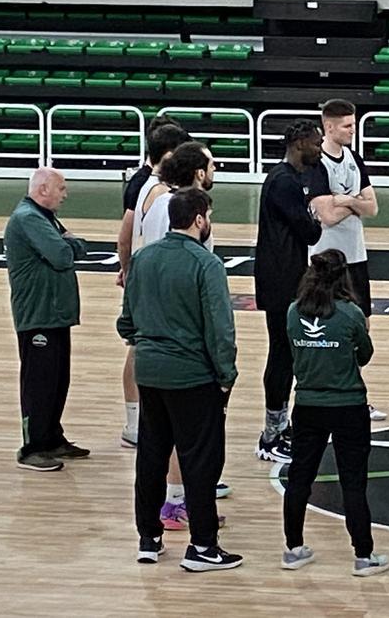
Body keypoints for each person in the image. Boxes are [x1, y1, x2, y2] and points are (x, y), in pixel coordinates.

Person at [117, 188, 242, 572]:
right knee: (200, 462)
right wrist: (226, 376)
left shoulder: (143, 258)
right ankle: (203, 546)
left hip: (150, 373)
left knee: (151, 456)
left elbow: (126, 321)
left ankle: (148, 539)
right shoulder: (206, 264)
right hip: (192, 376)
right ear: (200, 219)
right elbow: (220, 329)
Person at [134, 140, 230, 529]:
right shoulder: (179, 225)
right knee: (190, 441)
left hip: (154, 343)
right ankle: (181, 508)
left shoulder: (161, 205)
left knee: (157, 447)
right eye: (211, 164)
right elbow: (216, 321)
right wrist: (225, 371)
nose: (215, 169)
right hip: (183, 348)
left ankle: (150, 534)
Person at [281, 249, 389, 577]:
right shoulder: (351, 314)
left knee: (299, 478)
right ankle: (363, 556)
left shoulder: (292, 312)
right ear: (344, 276)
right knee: (353, 483)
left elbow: (292, 354)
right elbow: (365, 354)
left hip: (307, 407)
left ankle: (293, 549)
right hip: (348, 408)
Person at [303, 99, 386, 423]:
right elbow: (326, 215)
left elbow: (373, 207)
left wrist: (345, 200)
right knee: (323, 324)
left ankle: (353, 393)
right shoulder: (316, 162)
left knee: (360, 324)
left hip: (356, 256)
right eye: (348, 125)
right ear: (329, 127)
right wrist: (355, 204)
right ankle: (322, 394)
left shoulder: (354, 158)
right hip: (325, 258)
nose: (353, 130)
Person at [4, 167, 88, 472]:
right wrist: (68, 243)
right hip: (37, 314)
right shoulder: (29, 219)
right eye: (62, 188)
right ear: (43, 189)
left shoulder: (43, 216)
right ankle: (32, 448)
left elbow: (75, 246)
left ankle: (52, 437)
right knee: (39, 382)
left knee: (57, 378)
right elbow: (64, 254)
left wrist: (69, 243)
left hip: (54, 314)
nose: (65, 194)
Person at [117, 117, 190, 448]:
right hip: (147, 280)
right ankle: (134, 422)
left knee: (139, 347)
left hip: (144, 276)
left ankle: (140, 421)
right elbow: (127, 232)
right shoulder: (147, 185)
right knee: (138, 348)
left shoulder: (148, 182)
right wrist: (126, 269)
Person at [255, 120, 325, 463]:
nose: (319, 147)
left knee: (287, 354)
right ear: (298, 143)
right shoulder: (283, 181)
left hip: (286, 275)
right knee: (281, 354)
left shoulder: (289, 179)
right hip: (279, 279)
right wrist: (314, 219)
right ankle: (271, 434)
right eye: (315, 142)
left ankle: (279, 427)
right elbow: (310, 231)